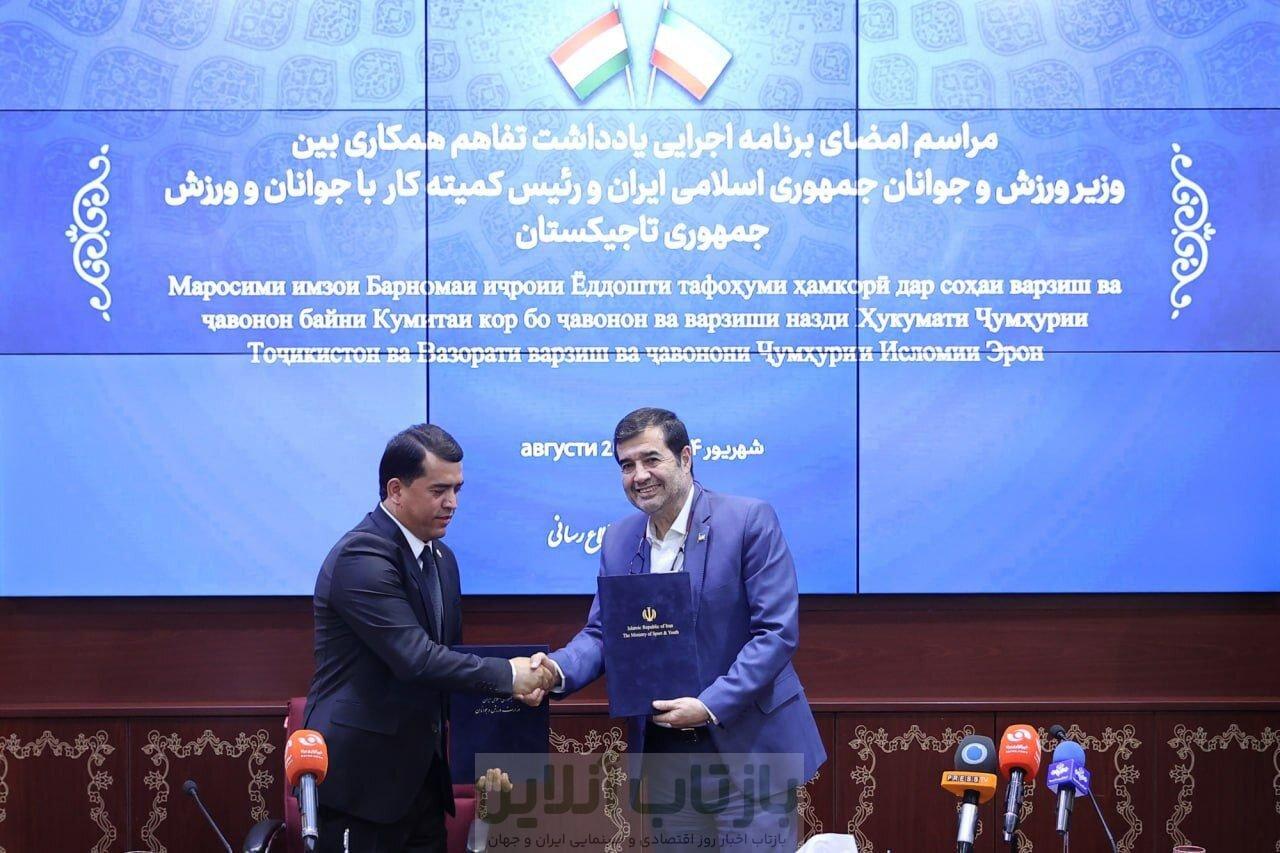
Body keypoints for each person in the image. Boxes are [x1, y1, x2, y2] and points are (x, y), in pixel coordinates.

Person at [524, 408, 826, 851]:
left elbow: (775, 633)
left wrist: (708, 706)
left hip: (749, 752)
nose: (639, 476)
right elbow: (604, 633)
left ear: (685, 458)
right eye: (627, 465)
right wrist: (555, 669)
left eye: (651, 459)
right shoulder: (619, 540)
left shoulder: (748, 520)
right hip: (669, 761)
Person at [303, 424, 553, 852]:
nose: (452, 503)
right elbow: (416, 659)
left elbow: (449, 664)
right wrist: (510, 676)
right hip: (362, 786)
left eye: (457, 489)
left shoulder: (442, 558)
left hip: (423, 784)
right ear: (396, 490)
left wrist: (498, 733)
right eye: (439, 490)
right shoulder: (362, 556)